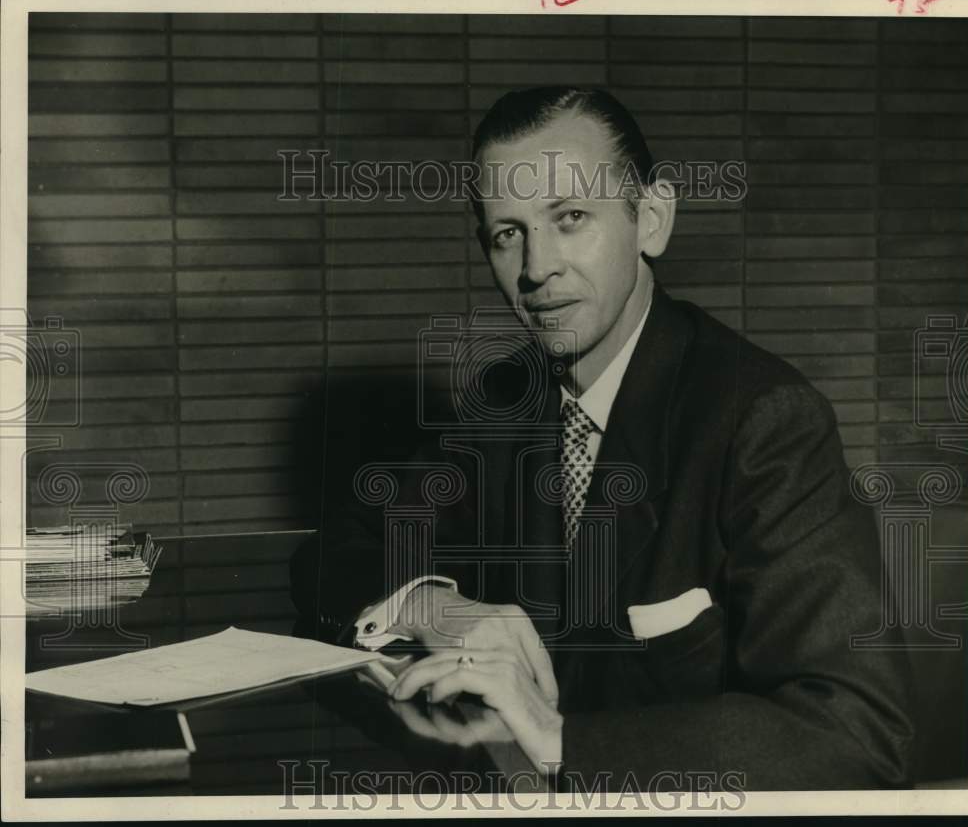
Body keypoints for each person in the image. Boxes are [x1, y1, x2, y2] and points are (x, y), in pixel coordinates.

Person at [291, 86, 915, 791]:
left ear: (650, 220)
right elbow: (334, 552)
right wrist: (434, 605)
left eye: (571, 218)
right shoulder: (505, 400)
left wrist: (562, 740)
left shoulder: (765, 420)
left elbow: (855, 733)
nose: (535, 269)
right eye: (508, 233)